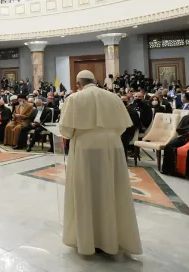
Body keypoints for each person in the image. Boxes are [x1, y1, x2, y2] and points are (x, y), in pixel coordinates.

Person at [59, 70, 142, 256]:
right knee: (111, 189)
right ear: (94, 81)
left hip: (85, 149)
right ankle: (112, 238)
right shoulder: (113, 97)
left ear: (78, 83)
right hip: (112, 147)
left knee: (86, 191)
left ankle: (89, 240)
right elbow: (122, 126)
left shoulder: (74, 99)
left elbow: (66, 129)